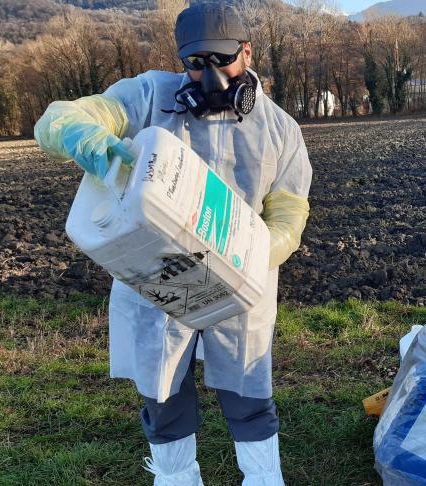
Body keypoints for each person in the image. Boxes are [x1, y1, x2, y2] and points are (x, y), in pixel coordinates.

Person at [33, 4, 312, 485]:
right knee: (164, 388)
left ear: (247, 51)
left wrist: (251, 258)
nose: (210, 76)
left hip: (240, 283)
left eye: (222, 60)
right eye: (195, 63)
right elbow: (60, 118)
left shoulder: (279, 129)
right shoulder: (149, 96)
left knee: (247, 387)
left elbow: (289, 213)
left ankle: (264, 478)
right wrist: (86, 135)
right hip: (156, 281)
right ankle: (178, 477)